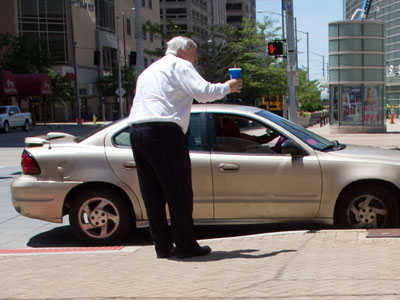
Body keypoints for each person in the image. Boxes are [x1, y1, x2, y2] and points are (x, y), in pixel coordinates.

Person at [127, 36, 242, 259]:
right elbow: (204, 93)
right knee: (178, 191)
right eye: (194, 52)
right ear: (183, 51)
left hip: (137, 131)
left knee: (152, 193)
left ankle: (162, 246)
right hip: (164, 131)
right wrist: (229, 86)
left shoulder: (148, 71)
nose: (196, 58)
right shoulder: (180, 65)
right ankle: (186, 245)